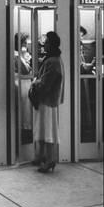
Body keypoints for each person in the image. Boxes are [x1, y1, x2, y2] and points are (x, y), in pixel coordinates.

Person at [30, 31, 65, 173]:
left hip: (47, 101)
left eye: (47, 42)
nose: (44, 44)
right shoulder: (55, 59)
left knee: (48, 131)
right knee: (44, 129)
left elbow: (45, 84)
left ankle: (49, 160)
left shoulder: (52, 61)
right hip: (48, 101)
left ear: (52, 44)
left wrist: (34, 83)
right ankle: (42, 156)